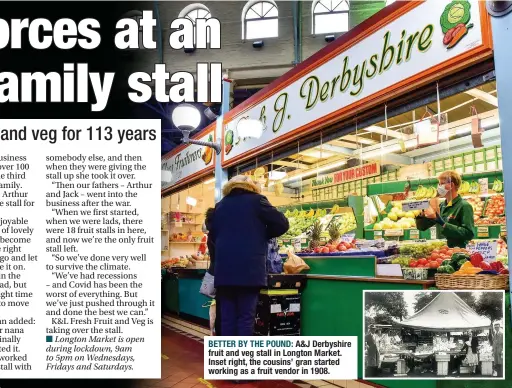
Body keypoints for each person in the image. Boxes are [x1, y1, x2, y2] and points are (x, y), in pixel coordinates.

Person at [208, 175, 289, 337]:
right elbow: (282, 224)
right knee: (246, 318)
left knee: (227, 319)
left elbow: (213, 235)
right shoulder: (257, 201)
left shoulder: (220, 207)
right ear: (251, 187)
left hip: (224, 273)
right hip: (249, 271)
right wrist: (262, 234)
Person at [415, 171, 474, 248]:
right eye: (438, 184)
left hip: (459, 251)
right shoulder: (441, 206)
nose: (439, 187)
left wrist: (444, 224)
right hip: (442, 251)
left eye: (441, 183)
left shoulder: (464, 206)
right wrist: (422, 215)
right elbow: (422, 227)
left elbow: (469, 234)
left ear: (451, 185)